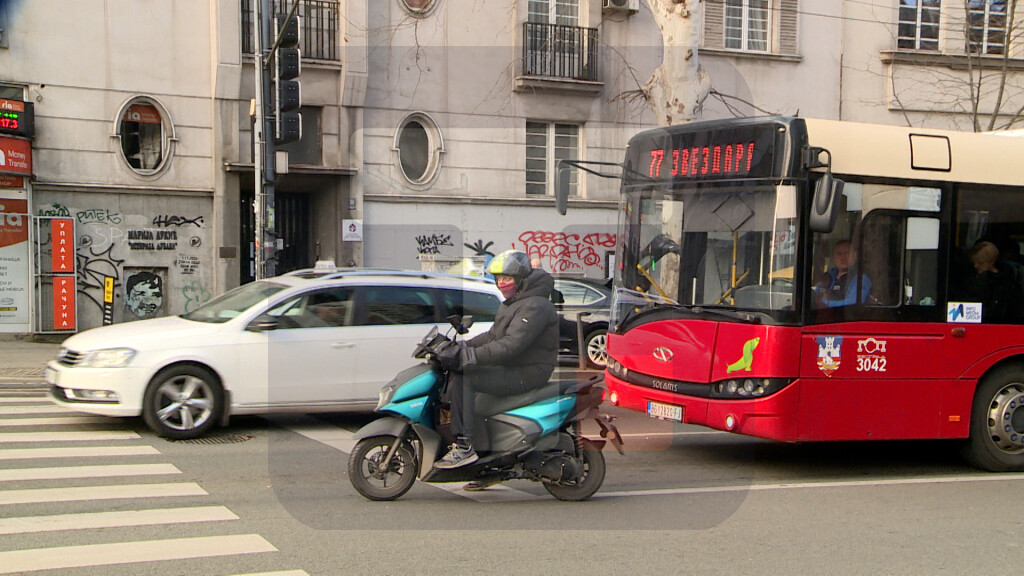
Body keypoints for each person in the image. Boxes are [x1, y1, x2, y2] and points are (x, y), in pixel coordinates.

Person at [433, 249, 559, 476]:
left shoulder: (535, 306)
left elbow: (511, 345)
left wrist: (470, 357)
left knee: (466, 377)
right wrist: (460, 347)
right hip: (512, 367)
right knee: (466, 385)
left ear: (521, 280)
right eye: (499, 278)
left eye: (507, 278)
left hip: (527, 372)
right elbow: (492, 336)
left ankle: (464, 447)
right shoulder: (513, 303)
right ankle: (485, 462)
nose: (502, 283)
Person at [964, 241, 1021, 323]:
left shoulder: (1007, 282)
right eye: (974, 262)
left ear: (991, 262)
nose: (976, 266)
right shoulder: (971, 278)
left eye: (980, 263)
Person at [814, 240, 872, 308]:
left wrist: (823, 304)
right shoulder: (827, 277)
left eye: (847, 253)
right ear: (834, 258)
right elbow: (814, 294)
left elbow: (853, 303)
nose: (843, 257)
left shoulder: (860, 278)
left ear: (854, 256)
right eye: (839, 254)